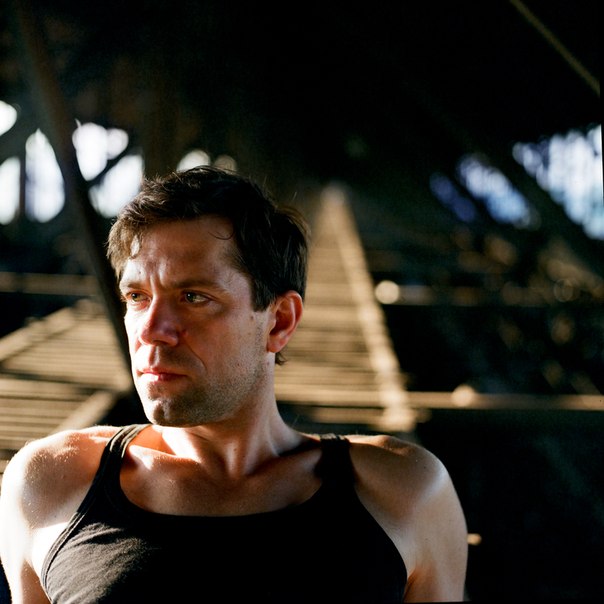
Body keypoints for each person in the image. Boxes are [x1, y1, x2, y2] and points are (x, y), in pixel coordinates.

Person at [0, 165, 468, 603]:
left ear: (279, 321)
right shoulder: (50, 484)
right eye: (137, 296)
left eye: (193, 297)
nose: (152, 330)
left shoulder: (402, 493)